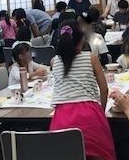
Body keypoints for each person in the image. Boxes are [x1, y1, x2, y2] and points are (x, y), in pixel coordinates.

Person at [50, 21, 116, 160]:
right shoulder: (91, 58)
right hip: (90, 115)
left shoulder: (54, 61)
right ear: (81, 40)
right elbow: (104, 89)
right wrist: (101, 112)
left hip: (62, 117)